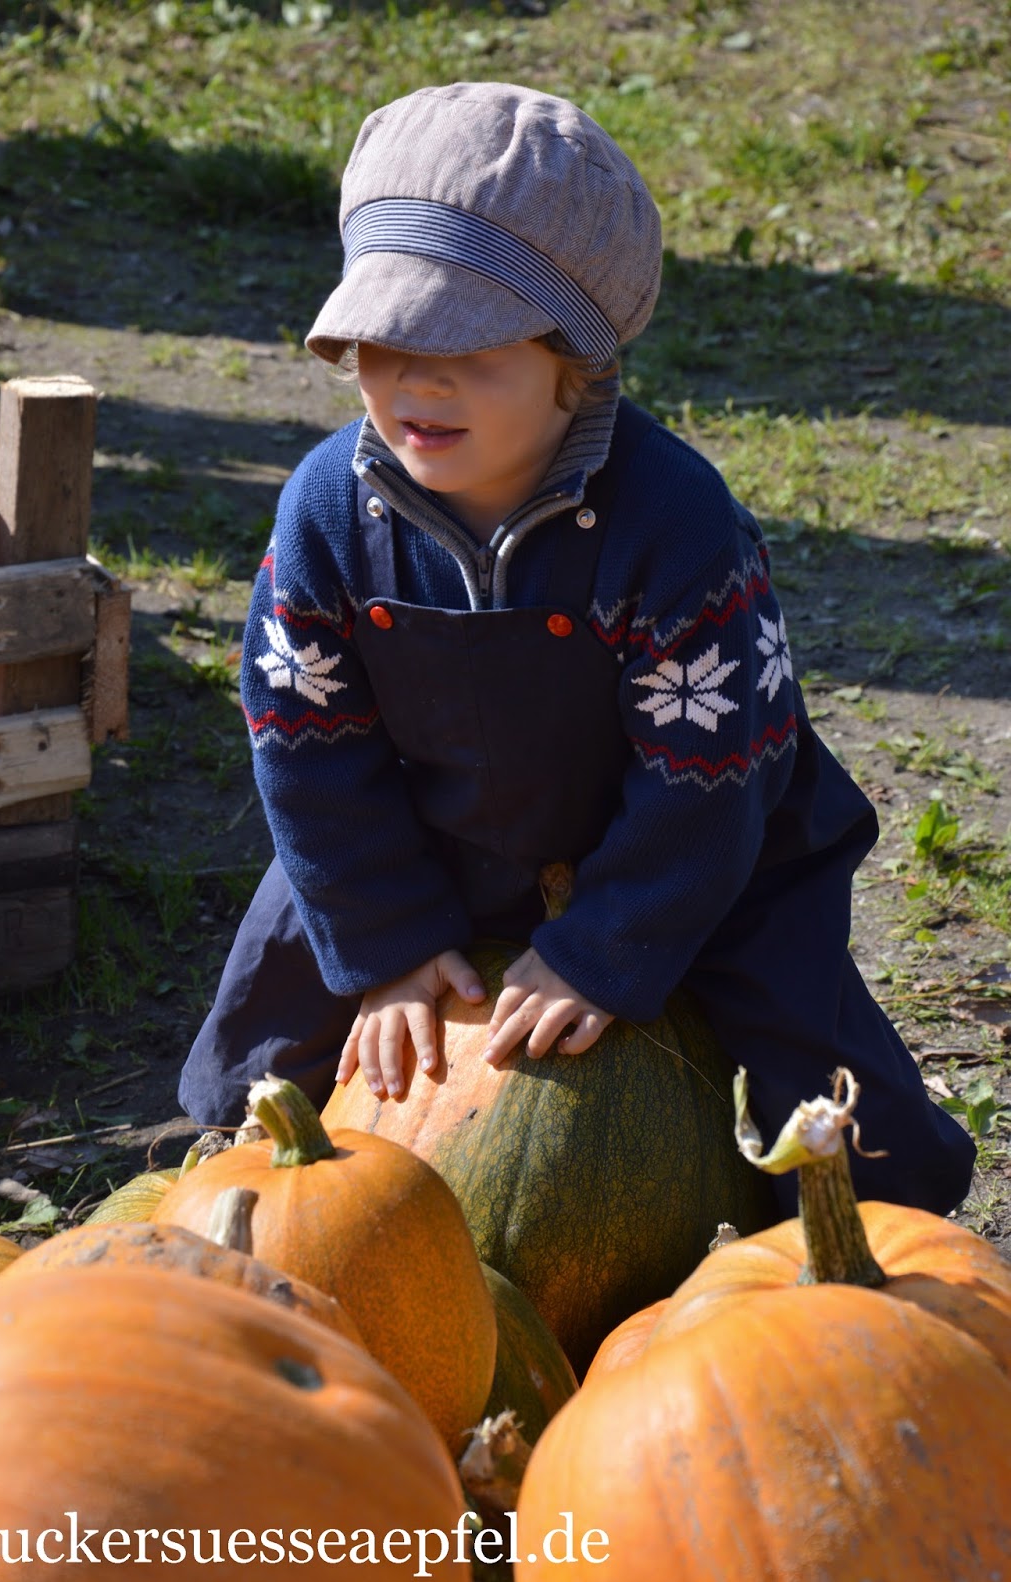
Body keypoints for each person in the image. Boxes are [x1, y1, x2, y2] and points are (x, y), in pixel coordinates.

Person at [178, 81, 975, 1218]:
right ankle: (233, 1201)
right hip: (423, 833)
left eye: (469, 348)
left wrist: (606, 943)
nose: (418, 380)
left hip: (692, 847)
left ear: (577, 360)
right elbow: (305, 747)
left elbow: (711, 777)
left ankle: (875, 1235)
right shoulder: (326, 513)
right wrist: (389, 938)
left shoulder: (673, 523)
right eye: (382, 342)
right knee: (264, 1048)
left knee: (816, 1070)